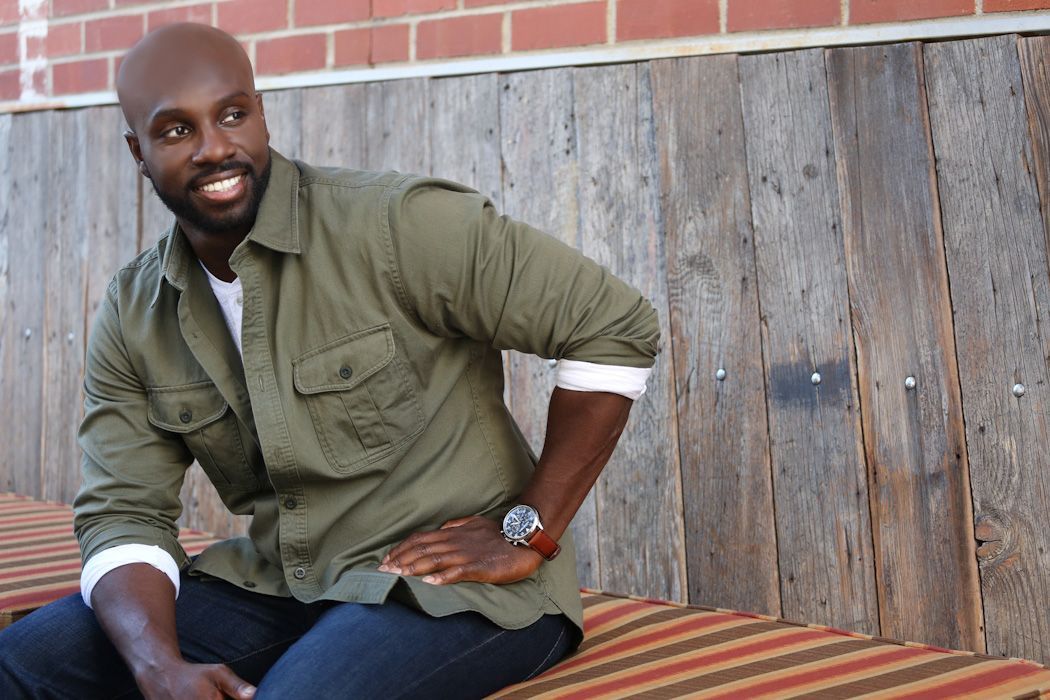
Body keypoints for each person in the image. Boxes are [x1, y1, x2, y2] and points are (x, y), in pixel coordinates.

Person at [0, 22, 658, 699]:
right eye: (176, 131)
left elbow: (613, 325)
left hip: (451, 593)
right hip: (282, 584)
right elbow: (124, 510)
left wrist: (528, 530)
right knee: (20, 661)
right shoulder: (136, 308)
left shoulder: (395, 226)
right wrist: (155, 665)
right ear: (138, 152)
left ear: (261, 112)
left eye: (232, 114)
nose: (215, 148)